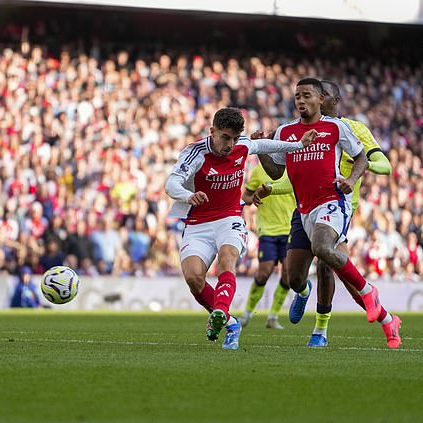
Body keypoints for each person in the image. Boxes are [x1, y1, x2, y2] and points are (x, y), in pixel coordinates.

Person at [254, 80, 400, 347]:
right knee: (294, 277)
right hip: (303, 209)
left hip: (335, 204)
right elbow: (278, 171)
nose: (300, 100)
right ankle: (383, 317)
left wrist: (350, 178)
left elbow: (368, 159)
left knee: (324, 256)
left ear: (325, 99)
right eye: (297, 96)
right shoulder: (285, 132)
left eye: (306, 95)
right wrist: (261, 150)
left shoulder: (343, 128)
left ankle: (327, 326)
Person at [164, 107, 316, 350]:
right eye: (225, 137)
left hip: (230, 217)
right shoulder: (195, 153)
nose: (231, 144)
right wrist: (188, 195)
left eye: (235, 138)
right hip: (198, 223)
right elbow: (171, 183)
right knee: (193, 277)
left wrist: (298, 146)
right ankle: (231, 323)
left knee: (227, 259)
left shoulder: (242, 145)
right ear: (212, 131)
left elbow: (266, 146)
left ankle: (220, 313)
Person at [238, 160, 295, 330]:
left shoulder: (293, 167)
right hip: (268, 229)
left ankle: (273, 316)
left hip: (291, 228)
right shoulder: (258, 171)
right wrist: (254, 197)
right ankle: (247, 313)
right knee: (264, 272)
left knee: (288, 274)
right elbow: (245, 197)